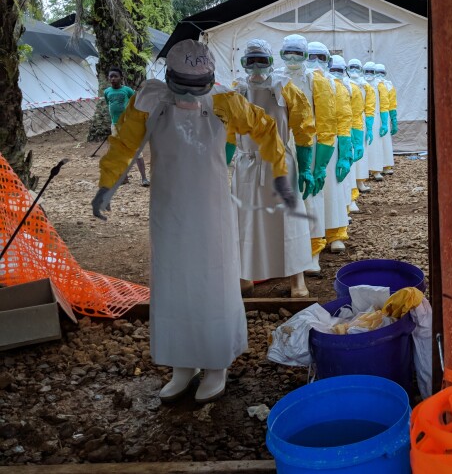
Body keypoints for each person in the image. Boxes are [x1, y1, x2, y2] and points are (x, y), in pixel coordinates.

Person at [92, 39, 295, 404]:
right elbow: (124, 143)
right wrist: (108, 184)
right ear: (169, 78)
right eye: (183, 86)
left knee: (212, 281)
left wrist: (280, 170)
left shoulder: (225, 102)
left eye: (197, 87)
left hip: (211, 210)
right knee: (173, 283)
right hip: (169, 210)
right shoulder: (150, 102)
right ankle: (181, 363)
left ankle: (216, 363)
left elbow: (265, 129)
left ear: (210, 79)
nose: (190, 94)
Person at [232, 39, 316, 299]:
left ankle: (296, 278)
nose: (256, 67)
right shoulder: (236, 91)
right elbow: (223, 130)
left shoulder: (285, 88)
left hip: (280, 163)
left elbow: (304, 128)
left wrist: (306, 168)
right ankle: (244, 275)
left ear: (271, 61)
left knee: (288, 220)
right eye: (250, 61)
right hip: (247, 164)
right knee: (246, 220)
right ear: (244, 64)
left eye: (262, 60)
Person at [279, 35, 337, 276]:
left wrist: (321, 163)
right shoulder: (276, 78)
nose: (292, 59)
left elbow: (327, 120)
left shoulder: (318, 81)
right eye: (287, 53)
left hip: (309, 146)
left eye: (298, 54)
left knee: (310, 197)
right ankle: (286, 252)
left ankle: (313, 253)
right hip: (282, 145)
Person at [316, 51, 354, 253]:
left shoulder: (336, 86)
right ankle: (311, 237)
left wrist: (345, 153)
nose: (314, 62)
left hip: (329, 143)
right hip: (301, 145)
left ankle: (336, 233)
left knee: (333, 191)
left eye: (320, 58)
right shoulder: (290, 82)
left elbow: (344, 117)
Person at [104, 67, 148, 186]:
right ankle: (124, 177)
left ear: (121, 78)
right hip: (115, 125)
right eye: (111, 76)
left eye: (115, 76)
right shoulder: (107, 92)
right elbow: (108, 104)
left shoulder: (127, 90)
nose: (113, 79)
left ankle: (144, 178)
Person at [348, 59, 376, 196]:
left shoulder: (366, 87)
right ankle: (350, 185)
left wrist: (369, 127)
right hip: (346, 122)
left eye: (356, 68)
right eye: (351, 67)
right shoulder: (345, 84)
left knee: (361, 156)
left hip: (360, 121)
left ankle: (360, 182)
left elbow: (370, 107)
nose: (353, 70)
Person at [342, 58, 366, 213]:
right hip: (319, 136)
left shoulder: (353, 87)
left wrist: (357, 137)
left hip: (345, 133)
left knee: (348, 171)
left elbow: (356, 113)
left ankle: (349, 200)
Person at [363, 62, 386, 182]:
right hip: (362, 119)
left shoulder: (379, 85)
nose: (368, 74)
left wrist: (385, 121)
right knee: (363, 145)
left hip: (376, 118)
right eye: (366, 71)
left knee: (376, 145)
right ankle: (364, 171)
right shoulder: (361, 84)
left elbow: (384, 104)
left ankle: (376, 170)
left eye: (371, 71)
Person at [375, 63, 397, 175]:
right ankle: (375, 168)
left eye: (381, 73)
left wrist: (393, 119)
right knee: (376, 143)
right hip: (373, 116)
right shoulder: (370, 85)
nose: (379, 75)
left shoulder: (388, 86)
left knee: (386, 142)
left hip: (385, 116)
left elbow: (392, 103)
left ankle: (386, 165)